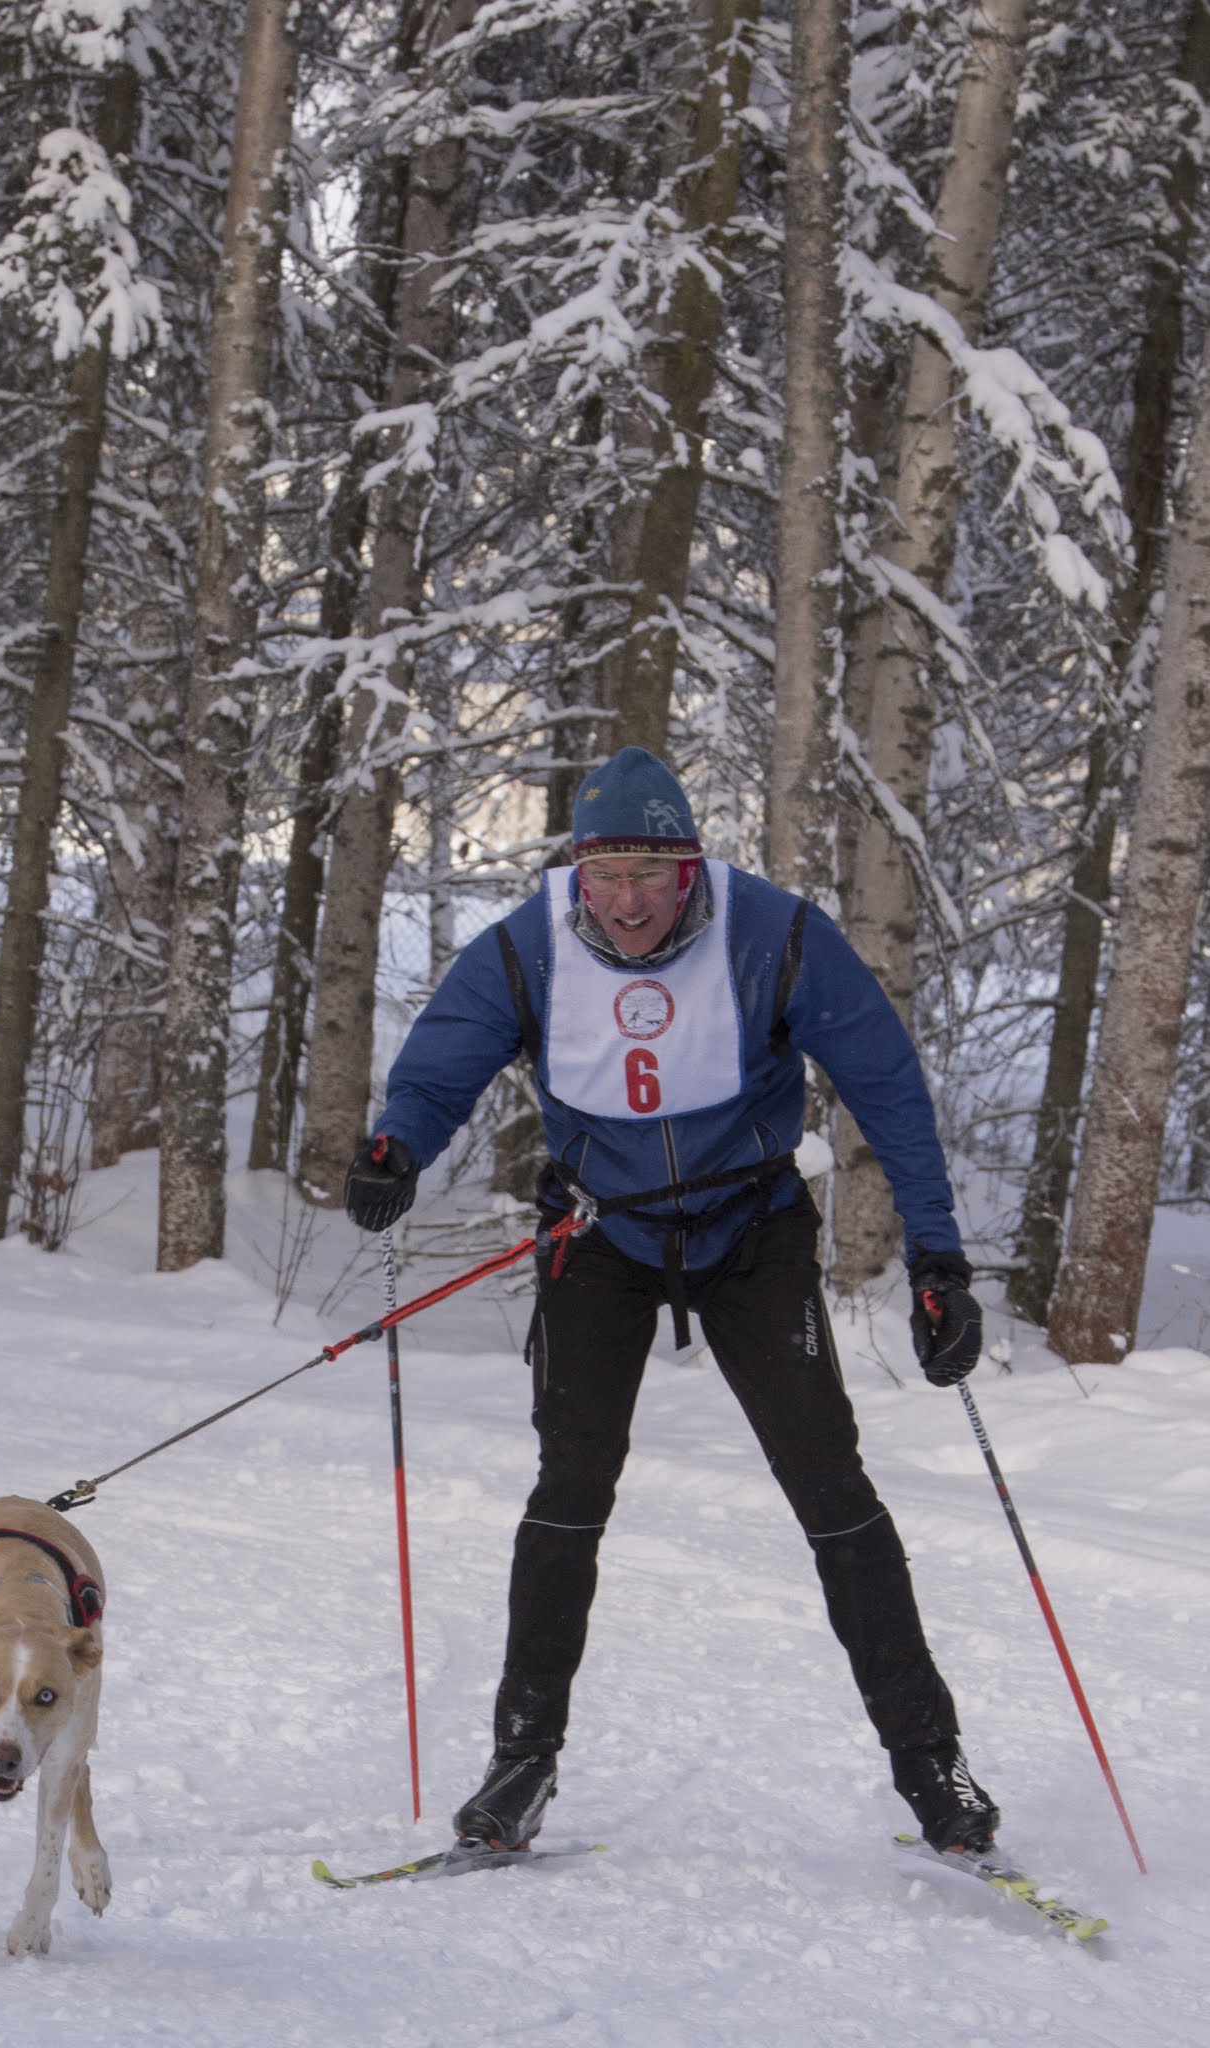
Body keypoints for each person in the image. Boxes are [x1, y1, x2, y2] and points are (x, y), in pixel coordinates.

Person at [343, 746, 996, 1858]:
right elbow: (445, 1055)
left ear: (692, 864)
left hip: (749, 1230)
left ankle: (930, 1763)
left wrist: (935, 1257)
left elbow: (885, 1084)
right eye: (606, 876)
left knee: (829, 1485)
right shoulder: (529, 945)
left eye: (653, 872)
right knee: (569, 1485)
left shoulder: (772, 934)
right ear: (578, 874)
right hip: (600, 1233)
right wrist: (397, 1139)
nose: (630, 900)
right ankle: (519, 1761)